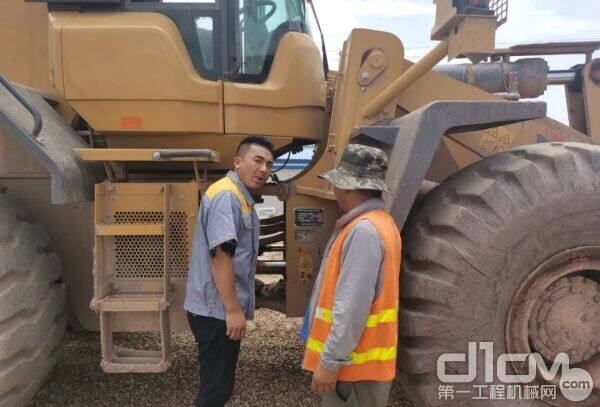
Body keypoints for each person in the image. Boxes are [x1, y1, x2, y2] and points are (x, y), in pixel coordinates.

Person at [301, 144, 402, 406]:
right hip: (362, 364)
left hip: (353, 368)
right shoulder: (382, 223)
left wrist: (330, 362)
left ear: (347, 186)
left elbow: (351, 307)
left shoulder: (363, 231)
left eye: (337, 184)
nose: (334, 191)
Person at [184, 136, 274, 406]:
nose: (264, 170)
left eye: (269, 164)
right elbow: (221, 257)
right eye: (257, 160)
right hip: (216, 311)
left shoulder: (237, 196)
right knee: (215, 391)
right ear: (237, 161)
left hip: (217, 308)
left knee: (220, 385)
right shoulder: (227, 196)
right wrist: (233, 311)